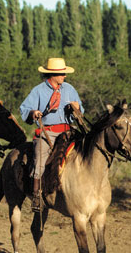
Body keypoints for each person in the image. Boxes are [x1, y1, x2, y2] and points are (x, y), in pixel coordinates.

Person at [20, 57, 84, 212]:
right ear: (52, 74)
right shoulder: (38, 90)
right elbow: (24, 109)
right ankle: (36, 196)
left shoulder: (69, 89)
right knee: (39, 161)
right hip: (48, 132)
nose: (64, 76)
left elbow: (81, 109)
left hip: (68, 131)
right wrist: (33, 112)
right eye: (62, 73)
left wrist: (77, 108)